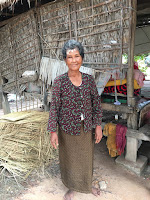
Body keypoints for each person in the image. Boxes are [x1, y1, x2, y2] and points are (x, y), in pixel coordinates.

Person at [47, 40, 103, 200]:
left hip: (87, 128)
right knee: (70, 159)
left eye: (77, 56)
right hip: (66, 128)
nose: (74, 60)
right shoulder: (59, 82)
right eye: (69, 57)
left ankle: (86, 185)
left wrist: (98, 125)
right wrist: (53, 131)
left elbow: (96, 104)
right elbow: (55, 107)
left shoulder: (89, 80)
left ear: (82, 58)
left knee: (86, 157)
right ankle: (71, 187)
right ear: (65, 60)